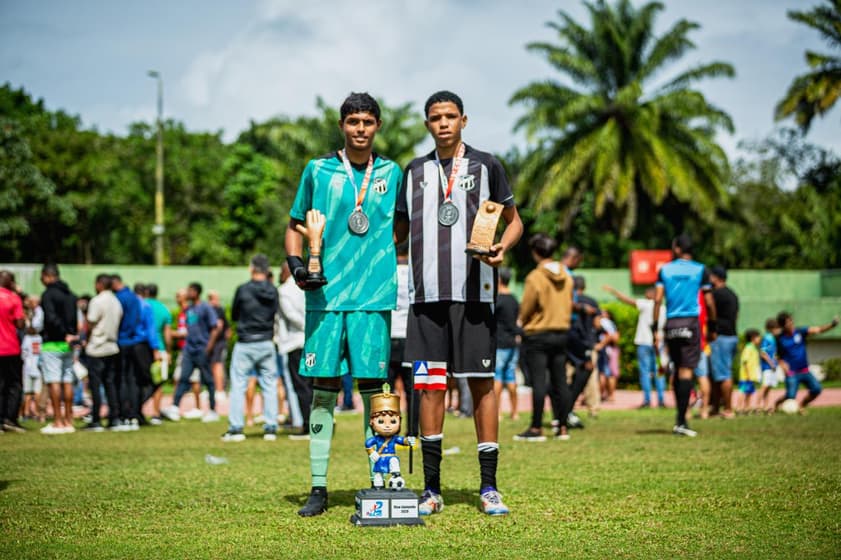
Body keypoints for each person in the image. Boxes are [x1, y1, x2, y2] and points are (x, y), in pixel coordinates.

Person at [395, 90, 524, 516]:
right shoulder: (412, 171)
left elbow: (514, 221)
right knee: (431, 389)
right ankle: (431, 490)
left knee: (481, 386)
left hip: (475, 296)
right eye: (436, 117)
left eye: (450, 116)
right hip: (427, 300)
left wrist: (502, 248)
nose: (443, 123)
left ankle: (489, 487)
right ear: (427, 123)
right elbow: (397, 232)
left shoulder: (486, 165)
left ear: (463, 120)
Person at [285, 92, 403, 517]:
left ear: (378, 126)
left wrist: (378, 256)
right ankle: (318, 487)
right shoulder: (317, 170)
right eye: (353, 121)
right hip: (326, 296)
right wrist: (299, 266)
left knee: (377, 395)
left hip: (373, 297)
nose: (360, 128)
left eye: (367, 122)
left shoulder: (393, 172)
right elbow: (295, 225)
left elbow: (402, 227)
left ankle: (381, 481)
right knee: (324, 390)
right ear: (342, 126)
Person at [652, 234, 716, 437]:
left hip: (671, 323)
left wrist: (655, 327)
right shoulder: (701, 269)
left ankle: (680, 419)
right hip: (690, 323)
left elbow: (657, 300)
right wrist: (713, 326)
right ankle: (681, 421)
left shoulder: (665, 270)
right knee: (687, 372)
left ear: (677, 248)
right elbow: (709, 301)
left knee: (678, 369)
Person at [513, 234, 573, 442]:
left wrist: (522, 321)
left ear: (535, 252)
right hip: (561, 332)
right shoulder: (567, 275)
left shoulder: (535, 277)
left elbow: (528, 306)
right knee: (560, 381)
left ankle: (537, 427)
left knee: (539, 382)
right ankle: (563, 426)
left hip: (538, 334)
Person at [222, 254, 280, 442]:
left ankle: (236, 428)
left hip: (246, 342)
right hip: (266, 342)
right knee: (269, 384)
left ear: (252, 268)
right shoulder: (273, 290)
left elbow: (235, 314)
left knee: (238, 384)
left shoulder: (243, 290)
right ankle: (270, 427)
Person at [164, 282, 223, 422]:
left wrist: (209, 346)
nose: (187, 293)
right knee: (183, 378)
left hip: (202, 349)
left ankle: (213, 410)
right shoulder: (189, 309)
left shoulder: (206, 308)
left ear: (196, 292)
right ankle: (174, 407)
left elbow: (216, 328)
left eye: (190, 291)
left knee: (208, 380)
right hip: (189, 350)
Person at [603, 284, 666, 408]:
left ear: (654, 294)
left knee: (645, 372)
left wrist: (614, 291)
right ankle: (661, 400)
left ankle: (647, 400)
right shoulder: (664, 309)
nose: (645, 293)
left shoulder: (646, 304)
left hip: (644, 342)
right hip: (659, 343)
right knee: (659, 372)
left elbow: (627, 300)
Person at [38, 264, 79, 435]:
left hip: (53, 343)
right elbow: (75, 319)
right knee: (67, 380)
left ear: (47, 276)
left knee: (54, 381)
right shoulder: (70, 295)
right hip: (69, 344)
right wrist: (71, 335)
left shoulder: (48, 295)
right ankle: (69, 420)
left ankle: (57, 421)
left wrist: (62, 334)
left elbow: (51, 318)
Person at [773, 311, 839, 412]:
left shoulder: (800, 331)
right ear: (783, 325)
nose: (791, 323)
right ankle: (777, 403)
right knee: (790, 396)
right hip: (791, 372)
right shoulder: (780, 338)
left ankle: (802, 405)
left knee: (816, 389)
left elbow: (818, 330)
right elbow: (777, 356)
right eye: (788, 322)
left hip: (804, 370)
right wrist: (782, 364)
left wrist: (832, 325)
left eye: (791, 320)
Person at [83, 274, 122, 431]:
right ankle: (114, 417)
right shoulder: (116, 301)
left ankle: (96, 418)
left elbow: (90, 322)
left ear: (99, 284)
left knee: (95, 385)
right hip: (112, 347)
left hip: (97, 347)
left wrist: (86, 338)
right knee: (110, 384)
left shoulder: (97, 301)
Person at [387, 240, 418, 434]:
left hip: (389, 336)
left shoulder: (388, 275)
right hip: (410, 336)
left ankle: (388, 431)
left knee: (387, 390)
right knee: (412, 390)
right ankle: (413, 432)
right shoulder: (415, 276)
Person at [275, 262, 308, 438]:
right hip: (309, 341)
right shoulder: (305, 287)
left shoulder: (284, 290)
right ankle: (319, 422)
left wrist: (305, 326)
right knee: (311, 383)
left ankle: (307, 424)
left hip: (295, 342)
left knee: (301, 385)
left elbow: (291, 315)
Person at [709, 266, 739, 419]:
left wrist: (712, 330)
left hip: (720, 337)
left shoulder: (716, 294)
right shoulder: (732, 294)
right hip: (732, 336)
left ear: (716, 278)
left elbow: (710, 309)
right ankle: (715, 408)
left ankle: (728, 409)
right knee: (718, 374)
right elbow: (737, 316)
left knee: (723, 375)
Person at [0, 270, 26, 433]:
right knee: (14, 384)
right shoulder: (13, 297)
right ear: (11, 282)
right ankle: (9, 419)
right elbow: (20, 324)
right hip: (10, 347)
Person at [493, 267, 520, 421]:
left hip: (500, 342)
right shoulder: (514, 299)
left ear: (499, 280)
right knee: (511, 377)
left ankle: (497, 412)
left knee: (498, 377)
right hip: (512, 342)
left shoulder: (499, 300)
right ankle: (515, 412)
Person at [145, 283, 172, 424]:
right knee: (158, 383)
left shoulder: (142, 305)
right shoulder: (163, 309)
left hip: (144, 348)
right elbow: (167, 334)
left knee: (141, 381)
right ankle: (156, 413)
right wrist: (168, 351)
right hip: (160, 349)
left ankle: (136, 412)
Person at [207, 290, 229, 403]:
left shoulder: (218, 309)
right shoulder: (212, 309)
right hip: (215, 342)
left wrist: (212, 341)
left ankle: (220, 390)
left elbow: (219, 327)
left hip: (218, 342)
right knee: (213, 365)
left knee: (218, 365)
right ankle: (215, 389)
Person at [595, 309, 620, 403]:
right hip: (611, 349)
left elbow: (612, 336)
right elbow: (616, 336)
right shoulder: (612, 324)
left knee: (604, 373)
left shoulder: (604, 322)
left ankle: (602, 395)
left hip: (605, 350)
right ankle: (610, 395)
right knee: (610, 374)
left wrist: (601, 344)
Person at [757, 318, 780, 413]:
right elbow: (762, 353)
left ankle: (766, 406)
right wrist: (771, 363)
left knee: (769, 387)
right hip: (767, 367)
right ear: (771, 328)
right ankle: (757, 407)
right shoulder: (767, 338)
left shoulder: (773, 339)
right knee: (765, 386)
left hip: (772, 367)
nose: (778, 331)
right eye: (777, 328)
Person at [737, 329, 761, 414]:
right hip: (745, 376)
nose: (760, 338)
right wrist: (747, 374)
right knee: (742, 391)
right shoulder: (748, 348)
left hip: (751, 376)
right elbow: (745, 361)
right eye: (758, 337)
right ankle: (739, 408)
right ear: (753, 338)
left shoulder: (754, 348)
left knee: (749, 392)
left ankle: (746, 408)